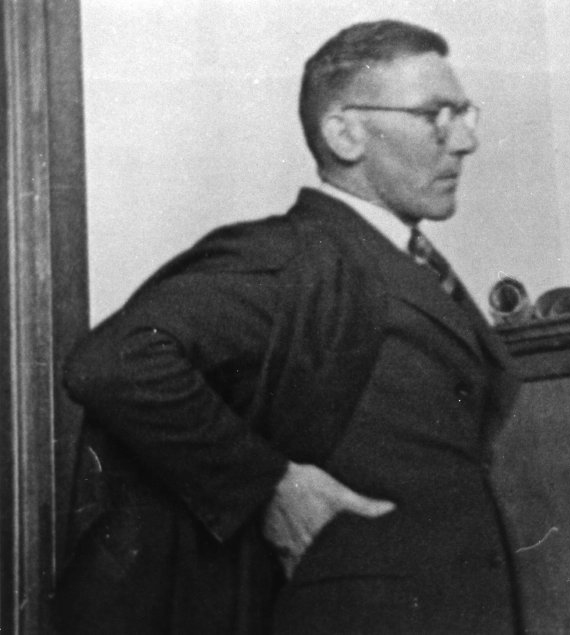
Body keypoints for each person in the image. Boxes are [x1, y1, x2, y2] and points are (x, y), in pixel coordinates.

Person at [53, 19, 521, 634]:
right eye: (436, 114)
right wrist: (269, 484)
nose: (463, 140)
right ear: (345, 133)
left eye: (465, 113)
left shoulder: (402, 263)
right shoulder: (299, 255)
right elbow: (114, 360)